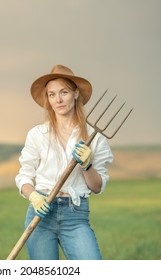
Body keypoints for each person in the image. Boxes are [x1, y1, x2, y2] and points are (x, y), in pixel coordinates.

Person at [15, 64, 113, 260]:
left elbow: (96, 186)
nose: (57, 99)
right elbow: (24, 176)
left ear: (76, 94)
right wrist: (34, 196)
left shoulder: (95, 138)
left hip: (75, 216)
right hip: (41, 215)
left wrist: (87, 165)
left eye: (64, 92)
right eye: (51, 94)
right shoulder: (37, 134)